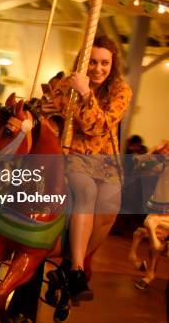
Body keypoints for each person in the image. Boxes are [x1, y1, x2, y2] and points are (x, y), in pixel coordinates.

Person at [45, 36, 132, 301]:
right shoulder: (67, 85)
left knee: (110, 208)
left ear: (112, 64)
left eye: (105, 63)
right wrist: (51, 107)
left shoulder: (121, 91)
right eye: (92, 62)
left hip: (106, 161)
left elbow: (98, 125)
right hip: (74, 156)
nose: (98, 69)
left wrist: (86, 94)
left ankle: (71, 260)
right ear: (84, 62)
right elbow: (50, 112)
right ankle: (77, 270)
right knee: (85, 191)